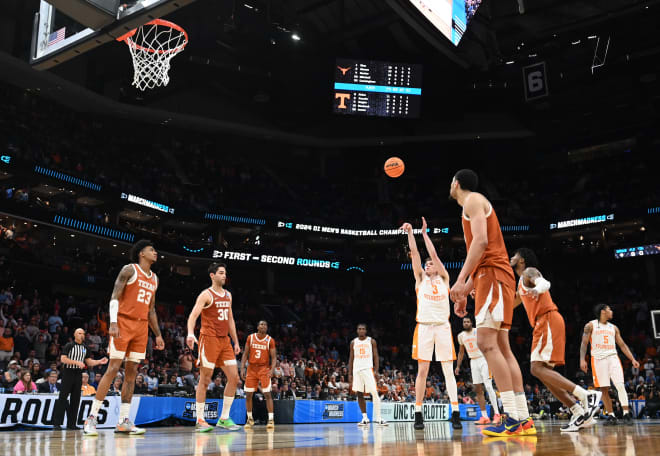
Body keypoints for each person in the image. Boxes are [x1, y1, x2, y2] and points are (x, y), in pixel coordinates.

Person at [448, 169, 533, 437]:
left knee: (486, 343)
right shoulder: (476, 203)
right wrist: (466, 290)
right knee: (503, 348)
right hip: (494, 275)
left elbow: (482, 243)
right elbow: (485, 252)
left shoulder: (472, 200)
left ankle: (510, 417)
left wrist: (461, 281)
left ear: (456, 183)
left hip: (493, 276)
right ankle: (523, 417)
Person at [511, 249, 601, 432]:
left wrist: (537, 288)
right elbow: (509, 304)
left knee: (536, 369)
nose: (510, 258)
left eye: (513, 256)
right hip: (542, 323)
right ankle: (577, 412)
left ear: (521, 260)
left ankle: (585, 396)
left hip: (548, 319)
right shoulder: (520, 283)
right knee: (544, 374)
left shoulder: (529, 272)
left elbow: (544, 283)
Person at [84, 240, 165, 436]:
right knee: (112, 369)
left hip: (141, 328)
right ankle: (91, 419)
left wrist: (158, 334)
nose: (155, 252)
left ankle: (124, 421)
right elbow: (114, 296)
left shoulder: (154, 278)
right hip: (123, 323)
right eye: (151, 249)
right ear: (141, 254)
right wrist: (113, 322)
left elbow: (151, 309)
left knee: (131, 374)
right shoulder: (129, 270)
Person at [400, 218, 461, 430]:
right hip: (424, 327)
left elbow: (433, 254)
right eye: (426, 264)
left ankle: (455, 412)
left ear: (437, 266)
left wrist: (425, 234)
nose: (428, 265)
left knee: (448, 370)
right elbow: (415, 254)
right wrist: (410, 232)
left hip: (443, 327)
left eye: (431, 263)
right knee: (422, 371)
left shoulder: (444, 278)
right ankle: (418, 413)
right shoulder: (420, 279)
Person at [187, 263, 241, 433]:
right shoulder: (206, 295)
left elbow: (230, 319)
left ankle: (224, 418)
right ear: (212, 275)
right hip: (208, 339)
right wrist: (190, 333)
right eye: (221, 273)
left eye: (225, 273)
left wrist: (236, 341)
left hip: (225, 341)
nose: (224, 275)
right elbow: (193, 315)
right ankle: (200, 419)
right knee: (205, 379)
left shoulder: (228, 295)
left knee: (234, 378)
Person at [580, 303, 639, 425]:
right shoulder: (590, 325)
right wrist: (582, 359)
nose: (611, 311)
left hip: (613, 358)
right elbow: (584, 343)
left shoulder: (614, 328)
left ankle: (626, 414)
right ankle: (611, 416)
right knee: (604, 389)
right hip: (598, 360)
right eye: (609, 309)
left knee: (620, 385)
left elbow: (622, 345)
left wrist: (632, 359)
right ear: (603, 312)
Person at [53, 328, 108, 430]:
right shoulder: (69, 345)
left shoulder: (85, 347)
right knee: (63, 398)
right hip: (68, 373)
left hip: (78, 374)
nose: (81, 335)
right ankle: (57, 423)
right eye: (79, 333)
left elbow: (89, 362)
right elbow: (63, 359)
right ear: (74, 335)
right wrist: (76, 362)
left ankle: (71, 424)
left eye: (83, 333)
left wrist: (99, 361)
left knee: (76, 399)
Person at [456, 316, 501, 424]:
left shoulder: (478, 331)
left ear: (471, 323)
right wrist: (458, 366)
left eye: (468, 321)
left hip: (484, 359)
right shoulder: (461, 336)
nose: (466, 323)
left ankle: (497, 414)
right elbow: (461, 352)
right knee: (478, 390)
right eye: (464, 322)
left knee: (489, 386)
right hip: (473, 361)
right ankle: (484, 417)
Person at [348, 323, 388, 427]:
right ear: (357, 331)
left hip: (368, 369)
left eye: (363, 329)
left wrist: (376, 370)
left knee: (374, 392)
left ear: (366, 331)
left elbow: (376, 356)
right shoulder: (353, 342)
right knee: (359, 394)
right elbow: (351, 359)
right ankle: (365, 418)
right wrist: (350, 374)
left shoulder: (371, 341)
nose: (361, 330)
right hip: (357, 370)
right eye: (359, 329)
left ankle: (379, 418)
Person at [241, 320, 276, 429]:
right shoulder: (250, 338)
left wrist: (272, 369)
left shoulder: (270, 340)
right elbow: (245, 354)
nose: (263, 326)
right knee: (248, 395)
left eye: (265, 324)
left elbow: (274, 357)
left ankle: (271, 420)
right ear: (257, 327)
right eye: (261, 324)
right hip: (251, 368)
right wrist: (242, 368)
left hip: (264, 368)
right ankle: (250, 419)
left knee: (267, 394)